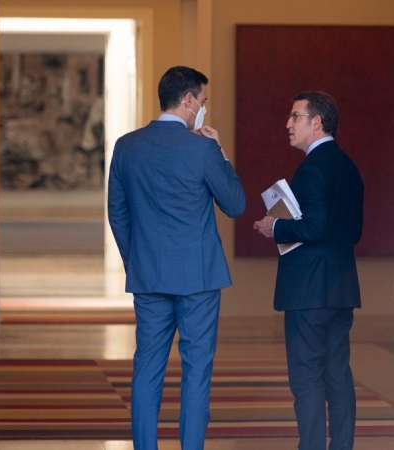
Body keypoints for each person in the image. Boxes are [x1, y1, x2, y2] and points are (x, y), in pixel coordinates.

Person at [107, 66, 246, 450]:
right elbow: (235, 204)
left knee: (147, 368)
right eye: (202, 101)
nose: (202, 108)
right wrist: (221, 154)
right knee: (196, 371)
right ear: (187, 100)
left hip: (149, 276)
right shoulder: (203, 149)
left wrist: (136, 259)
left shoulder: (126, 145)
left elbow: (117, 213)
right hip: (198, 278)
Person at [253, 91, 364, 450]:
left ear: (316, 123)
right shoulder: (349, 166)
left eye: (295, 117)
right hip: (342, 287)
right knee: (338, 376)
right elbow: (353, 231)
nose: (288, 124)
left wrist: (276, 228)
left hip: (308, 292)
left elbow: (314, 227)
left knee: (307, 379)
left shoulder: (313, 168)